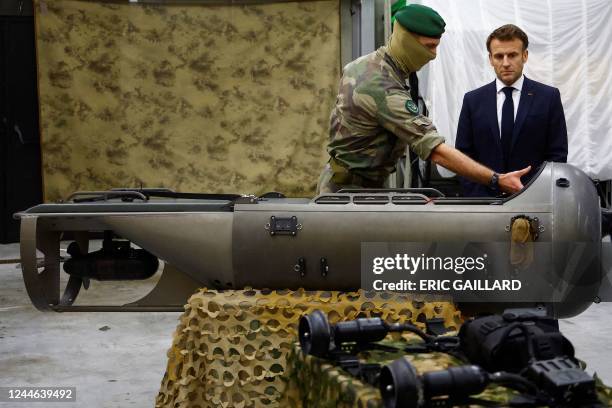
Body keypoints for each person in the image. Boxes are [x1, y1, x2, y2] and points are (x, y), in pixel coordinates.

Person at [316, 4, 529, 195]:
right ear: (406, 41)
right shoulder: (380, 85)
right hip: (346, 194)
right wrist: (496, 179)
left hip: (359, 187)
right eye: (428, 46)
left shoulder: (369, 65)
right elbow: (435, 150)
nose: (434, 55)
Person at [455, 24, 568, 197]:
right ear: (490, 59)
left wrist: (533, 195)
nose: (506, 63)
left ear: (525, 56)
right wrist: (480, 199)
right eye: (499, 56)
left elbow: (557, 156)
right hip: (483, 205)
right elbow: (463, 157)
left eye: (512, 55)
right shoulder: (473, 100)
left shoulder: (548, 97)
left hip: (533, 202)